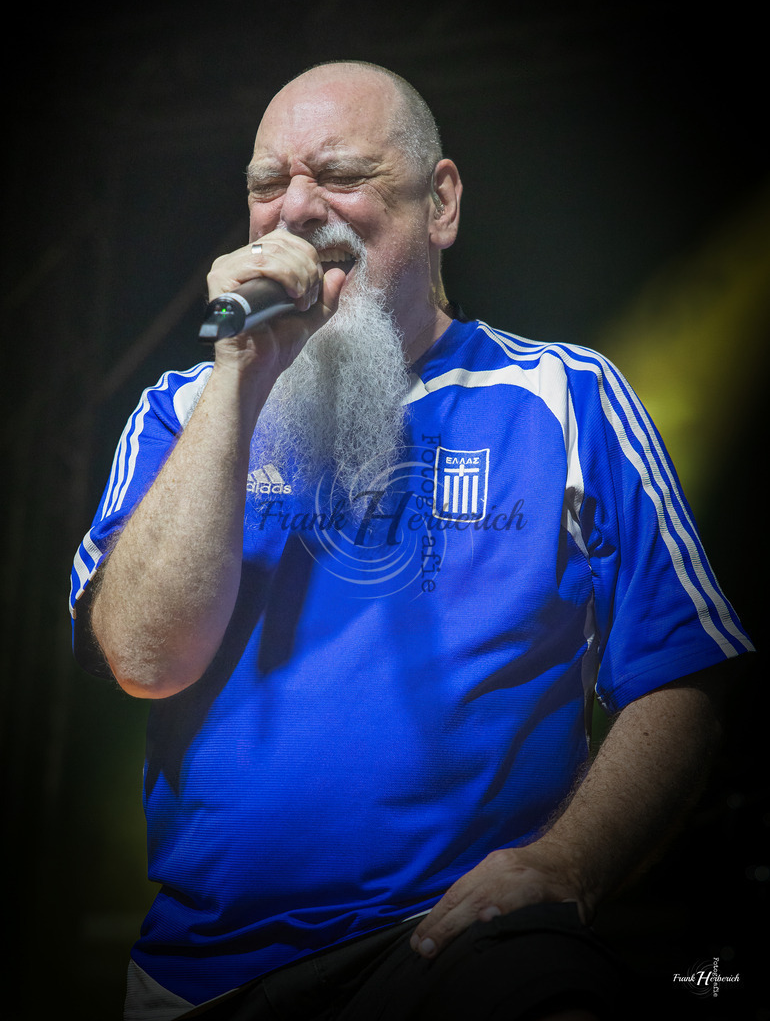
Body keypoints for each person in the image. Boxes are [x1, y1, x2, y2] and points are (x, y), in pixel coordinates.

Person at [70, 61, 753, 1021]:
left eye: (339, 174)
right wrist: (239, 373)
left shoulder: (568, 397)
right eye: (267, 185)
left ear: (441, 204)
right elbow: (145, 659)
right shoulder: (181, 411)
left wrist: (569, 864)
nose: (295, 210)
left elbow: (684, 675)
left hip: (459, 950)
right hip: (203, 976)